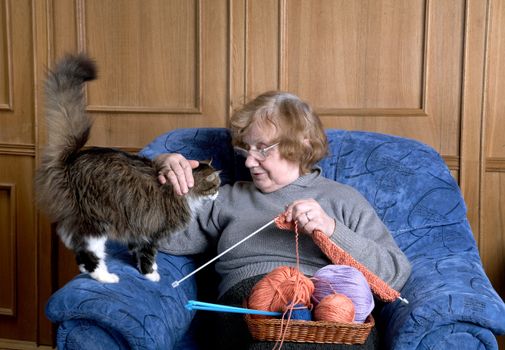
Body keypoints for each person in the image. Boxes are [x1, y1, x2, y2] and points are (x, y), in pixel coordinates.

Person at [155, 91, 412, 349]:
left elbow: (394, 275)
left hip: (329, 307)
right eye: (245, 149)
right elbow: (162, 237)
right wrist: (161, 176)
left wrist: (332, 230)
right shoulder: (227, 197)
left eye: (262, 149)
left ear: (303, 145)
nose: (250, 161)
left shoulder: (344, 199)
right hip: (250, 304)